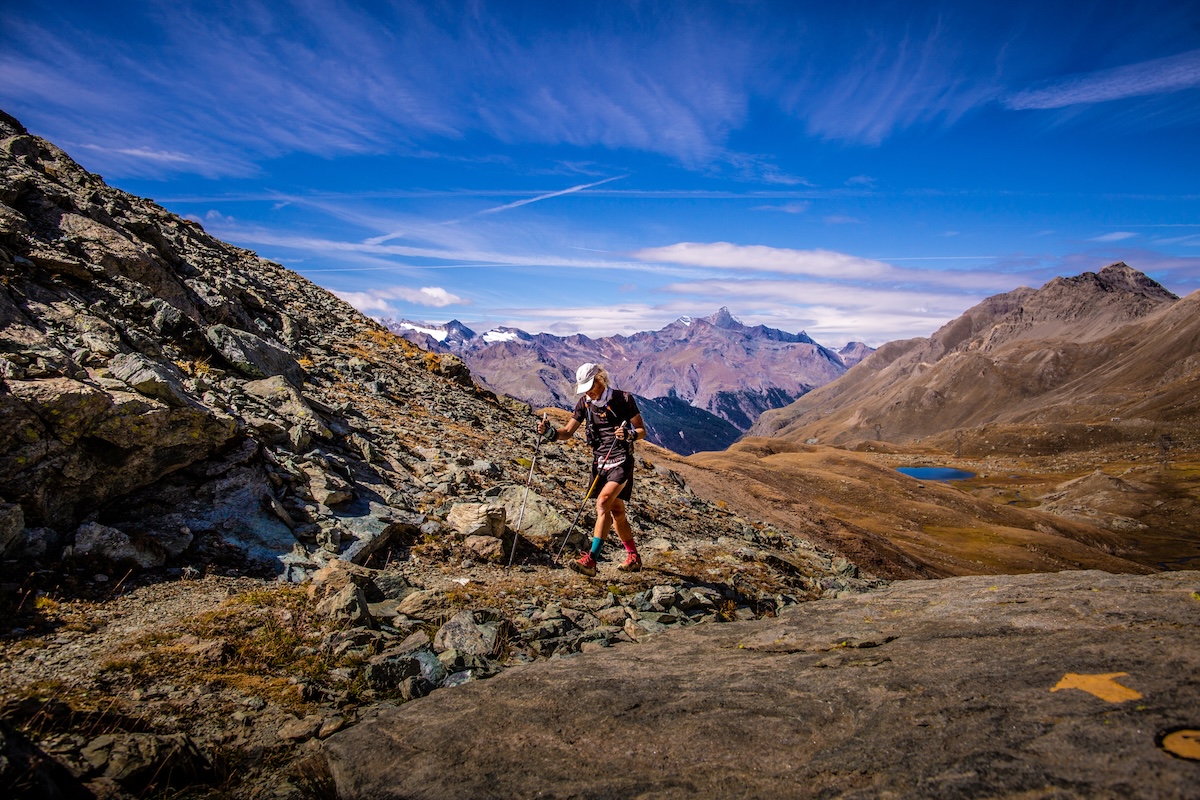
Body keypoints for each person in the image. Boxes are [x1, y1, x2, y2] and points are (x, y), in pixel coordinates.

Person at [537, 363, 647, 576]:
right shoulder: (584, 404)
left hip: (621, 460)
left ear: (600, 379)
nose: (588, 392)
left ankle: (591, 560)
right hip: (599, 464)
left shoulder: (623, 399)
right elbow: (567, 432)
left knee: (603, 503)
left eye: (591, 387)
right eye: (585, 389)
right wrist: (549, 432)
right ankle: (633, 557)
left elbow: (641, 430)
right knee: (617, 511)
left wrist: (630, 435)